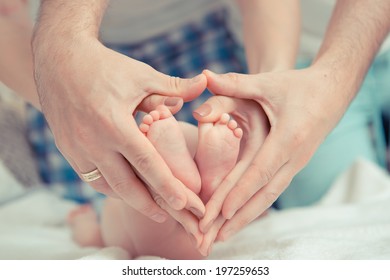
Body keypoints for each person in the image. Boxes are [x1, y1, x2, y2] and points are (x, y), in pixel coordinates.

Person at [68, 99, 268, 259]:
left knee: (157, 210)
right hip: (201, 215)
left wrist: (80, 219)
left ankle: (173, 167)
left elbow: (87, 237)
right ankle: (205, 179)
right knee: (204, 227)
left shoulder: (103, 225)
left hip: (139, 208)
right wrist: (255, 210)